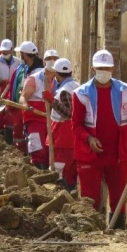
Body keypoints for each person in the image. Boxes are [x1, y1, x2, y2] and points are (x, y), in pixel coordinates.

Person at [72, 49, 127, 229]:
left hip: (118, 154)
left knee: (119, 199)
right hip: (91, 155)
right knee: (90, 201)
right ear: (93, 69)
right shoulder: (81, 93)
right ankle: (91, 232)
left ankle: (118, 233)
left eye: (107, 67)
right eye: (100, 68)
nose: (103, 71)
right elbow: (76, 125)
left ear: (113, 68)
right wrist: (89, 139)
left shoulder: (123, 90)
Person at [0, 41, 42, 151]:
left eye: (21, 54)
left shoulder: (39, 72)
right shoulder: (23, 69)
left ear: (24, 54)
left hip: (34, 110)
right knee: (23, 134)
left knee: (36, 139)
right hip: (24, 108)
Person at [20, 49, 59, 169]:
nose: (52, 61)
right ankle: (37, 170)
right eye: (49, 59)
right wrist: (26, 106)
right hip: (35, 116)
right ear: (44, 62)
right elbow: (23, 97)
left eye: (55, 59)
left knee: (52, 147)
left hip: (53, 117)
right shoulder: (34, 78)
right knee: (37, 146)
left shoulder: (60, 80)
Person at [45, 57, 78, 190]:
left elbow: (70, 113)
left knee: (59, 172)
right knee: (70, 171)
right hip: (68, 138)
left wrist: (52, 101)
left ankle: (63, 197)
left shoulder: (65, 90)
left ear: (57, 74)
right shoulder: (76, 86)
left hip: (63, 137)